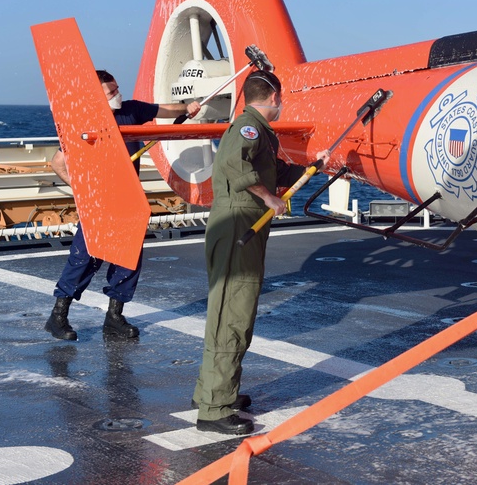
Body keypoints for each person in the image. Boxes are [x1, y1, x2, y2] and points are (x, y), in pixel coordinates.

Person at [192, 70, 329, 435]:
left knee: (230, 310)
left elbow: (274, 171)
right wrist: (269, 199)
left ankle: (213, 391)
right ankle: (215, 409)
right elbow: (235, 165)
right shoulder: (247, 129)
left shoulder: (258, 133)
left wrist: (314, 166)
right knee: (232, 313)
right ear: (272, 97)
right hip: (239, 225)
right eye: (280, 99)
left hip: (242, 225)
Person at [45, 70, 201, 341]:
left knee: (128, 260)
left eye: (117, 88)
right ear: (94, 97)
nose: (118, 95)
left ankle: (114, 318)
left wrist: (188, 107)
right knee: (84, 258)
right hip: (99, 203)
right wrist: (86, 192)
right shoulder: (83, 120)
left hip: (127, 201)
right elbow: (58, 163)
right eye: (111, 92)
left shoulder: (131, 110)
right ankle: (58, 317)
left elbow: (165, 109)